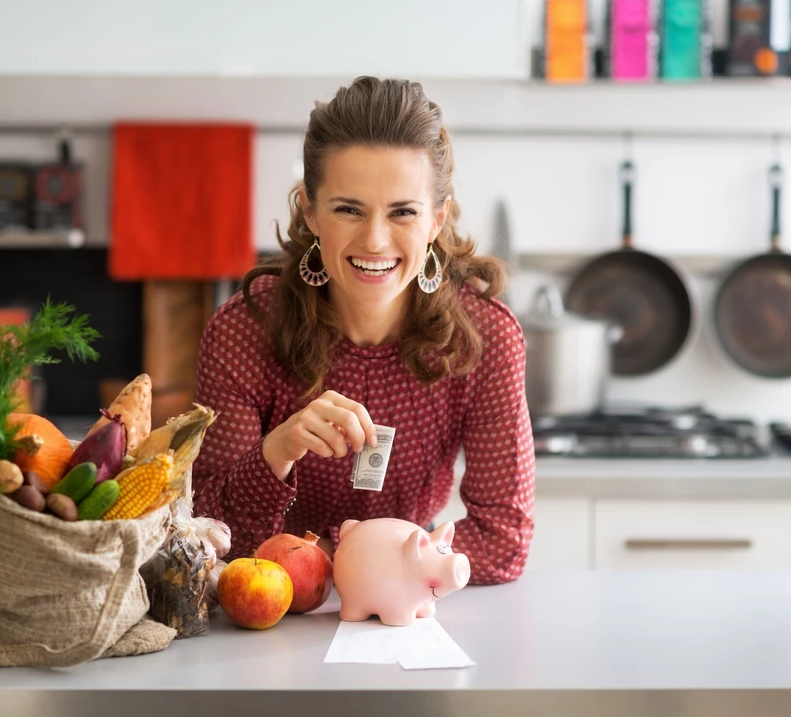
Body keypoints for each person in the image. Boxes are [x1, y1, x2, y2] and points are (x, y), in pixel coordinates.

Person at [193, 76, 535, 585]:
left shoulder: (484, 338)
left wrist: (356, 562)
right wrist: (278, 450)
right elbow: (206, 533)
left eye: (403, 212)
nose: (375, 241)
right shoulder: (245, 330)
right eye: (348, 209)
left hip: (412, 609)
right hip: (272, 607)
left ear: (436, 220)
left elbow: (504, 540)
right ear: (310, 211)